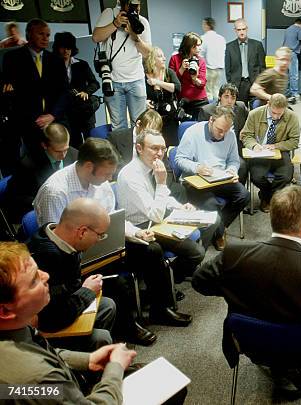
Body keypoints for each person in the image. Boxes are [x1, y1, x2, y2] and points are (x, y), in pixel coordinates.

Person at [192, 186, 301, 394]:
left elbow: (199, 282)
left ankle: (283, 369)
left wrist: (233, 288)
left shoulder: (234, 254)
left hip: (248, 342)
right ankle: (291, 370)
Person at [33, 138, 193, 328]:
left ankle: (161, 309)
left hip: (100, 243)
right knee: (117, 282)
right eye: (107, 173)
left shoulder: (100, 183)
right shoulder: (55, 191)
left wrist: (136, 233)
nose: (110, 179)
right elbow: (57, 242)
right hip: (72, 260)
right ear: (89, 166)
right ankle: (128, 326)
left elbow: (110, 219)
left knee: (152, 249)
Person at [0, 242, 138, 403]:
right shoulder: (39, 378)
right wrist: (115, 370)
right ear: (5, 311)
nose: (46, 276)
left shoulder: (14, 329)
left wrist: (88, 360)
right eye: (33, 280)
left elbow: (37, 352)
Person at [117, 129, 210, 280]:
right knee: (194, 253)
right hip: (141, 227)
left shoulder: (152, 165)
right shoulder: (130, 175)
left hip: (157, 221)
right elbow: (156, 214)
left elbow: (162, 196)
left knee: (198, 248)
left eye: (163, 149)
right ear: (139, 148)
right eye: (154, 148)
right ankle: (164, 280)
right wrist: (161, 182)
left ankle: (170, 276)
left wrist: (179, 206)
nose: (160, 153)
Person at [27, 198, 118, 351]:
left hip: (61, 305)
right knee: (102, 337)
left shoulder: (51, 233)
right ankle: (89, 365)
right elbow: (55, 318)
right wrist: (87, 291)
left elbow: (69, 288)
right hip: (48, 323)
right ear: (82, 232)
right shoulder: (48, 258)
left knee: (107, 305)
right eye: (100, 235)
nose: (99, 240)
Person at [175, 107, 249, 250]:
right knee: (212, 205)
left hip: (220, 177)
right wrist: (197, 167)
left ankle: (218, 228)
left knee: (244, 196)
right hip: (196, 180)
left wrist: (232, 170)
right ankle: (219, 233)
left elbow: (234, 161)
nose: (222, 135)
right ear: (211, 120)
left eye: (226, 131)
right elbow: (179, 159)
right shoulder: (193, 133)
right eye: (220, 130)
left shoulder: (230, 134)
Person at [2, 18, 69, 160]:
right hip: (27, 124)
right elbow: (11, 93)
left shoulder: (55, 60)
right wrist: (35, 119)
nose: (45, 38)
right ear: (29, 35)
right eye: (41, 34)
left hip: (53, 121)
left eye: (48, 35)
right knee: (33, 164)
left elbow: (64, 92)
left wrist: (52, 116)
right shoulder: (12, 58)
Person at [92, 0, 152, 130]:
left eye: (138, 5)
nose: (136, 8)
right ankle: (121, 150)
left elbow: (148, 53)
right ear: (124, 5)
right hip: (113, 80)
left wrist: (134, 35)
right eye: (132, 5)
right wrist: (116, 23)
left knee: (139, 125)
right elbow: (96, 37)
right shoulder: (110, 14)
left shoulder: (143, 22)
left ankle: (137, 150)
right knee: (118, 126)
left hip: (136, 80)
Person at [3, 123, 78, 224]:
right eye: (58, 151)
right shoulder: (27, 165)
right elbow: (15, 196)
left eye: (66, 149)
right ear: (44, 146)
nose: (63, 155)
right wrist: (42, 202)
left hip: (70, 209)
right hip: (40, 212)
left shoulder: (75, 155)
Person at [241, 94, 300, 212]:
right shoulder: (255, 114)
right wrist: (254, 145)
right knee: (257, 177)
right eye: (273, 113)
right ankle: (270, 196)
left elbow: (294, 141)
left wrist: (276, 146)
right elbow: (246, 135)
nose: (276, 117)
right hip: (259, 152)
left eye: (280, 114)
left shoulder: (292, 117)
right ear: (268, 105)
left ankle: (266, 197)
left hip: (280, 151)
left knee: (286, 176)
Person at [53, 32, 100, 148]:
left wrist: (86, 92)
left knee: (91, 144)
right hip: (68, 114)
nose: (66, 51)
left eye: (69, 48)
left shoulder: (82, 65)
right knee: (74, 145)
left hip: (85, 110)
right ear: (58, 48)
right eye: (63, 48)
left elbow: (95, 83)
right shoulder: (52, 66)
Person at [198, 83, 249, 184]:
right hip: (212, 149)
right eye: (226, 97)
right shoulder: (207, 111)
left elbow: (247, 127)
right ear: (219, 97)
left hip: (234, 149)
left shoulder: (241, 107)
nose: (229, 101)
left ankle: (237, 189)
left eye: (233, 97)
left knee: (242, 166)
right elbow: (202, 135)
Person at [143, 46, 181, 145]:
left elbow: (177, 88)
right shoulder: (143, 76)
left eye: (163, 56)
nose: (164, 58)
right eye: (160, 56)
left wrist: (157, 82)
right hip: (152, 119)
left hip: (170, 118)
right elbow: (138, 94)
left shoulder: (169, 73)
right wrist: (144, 102)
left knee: (171, 145)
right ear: (152, 60)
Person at [224, 18, 266, 104]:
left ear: (247, 29)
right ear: (235, 30)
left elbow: (262, 66)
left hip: (254, 83)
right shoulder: (229, 47)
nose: (241, 32)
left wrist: (260, 83)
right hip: (238, 84)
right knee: (240, 110)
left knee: (256, 108)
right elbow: (228, 69)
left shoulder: (257, 45)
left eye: (243, 29)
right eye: (239, 30)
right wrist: (232, 84)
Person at [169, 32, 208, 119]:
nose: (200, 48)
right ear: (189, 46)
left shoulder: (200, 60)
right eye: (197, 46)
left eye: (200, 45)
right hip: (183, 101)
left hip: (200, 100)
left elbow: (202, 83)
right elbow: (171, 81)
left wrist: (195, 79)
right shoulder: (175, 59)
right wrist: (182, 69)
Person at [200, 17, 226, 102]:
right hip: (219, 69)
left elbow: (200, 54)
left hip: (209, 69)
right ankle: (217, 109)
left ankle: (210, 110)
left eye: (204, 24)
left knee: (208, 92)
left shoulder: (204, 38)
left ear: (207, 25)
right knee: (217, 91)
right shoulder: (221, 38)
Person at [282, 18, 301, 101]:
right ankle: (294, 93)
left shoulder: (287, 29)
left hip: (284, 53)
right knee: (294, 75)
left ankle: (286, 93)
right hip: (292, 54)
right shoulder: (299, 29)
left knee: (286, 75)